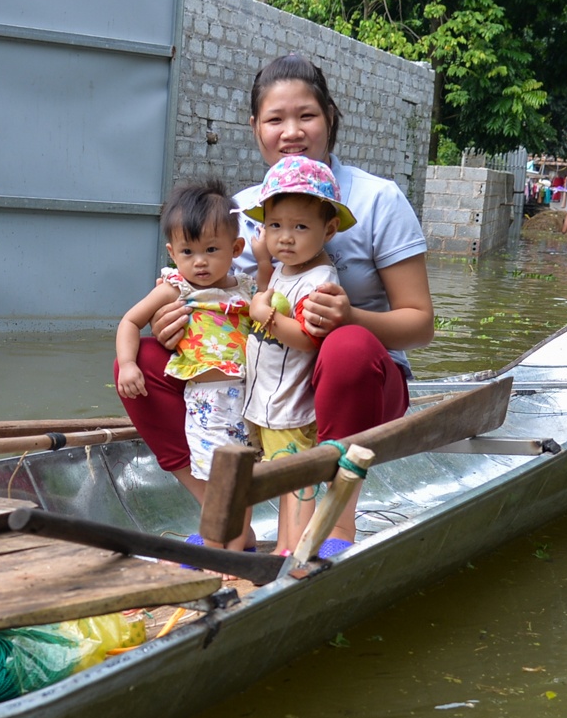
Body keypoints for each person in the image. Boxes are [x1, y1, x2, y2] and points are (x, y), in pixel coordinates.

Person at [117, 54, 433, 546]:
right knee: (141, 359)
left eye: (306, 116)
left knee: (346, 345)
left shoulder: (379, 200)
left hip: (358, 385)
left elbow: (421, 325)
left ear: (330, 117)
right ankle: (225, 517)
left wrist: (350, 317)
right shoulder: (238, 211)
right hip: (261, 373)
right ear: (255, 128)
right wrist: (171, 323)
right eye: (274, 119)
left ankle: (335, 524)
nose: (291, 132)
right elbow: (218, 295)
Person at [114, 179, 256, 548]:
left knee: (244, 475)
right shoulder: (177, 288)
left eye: (211, 249)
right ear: (172, 253)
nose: (200, 261)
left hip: (251, 400)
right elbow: (130, 321)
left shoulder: (246, 289)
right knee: (219, 475)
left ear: (236, 248)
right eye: (188, 251)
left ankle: (237, 547)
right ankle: (225, 547)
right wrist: (128, 364)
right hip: (208, 403)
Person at [240, 156, 354, 554]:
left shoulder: (320, 280)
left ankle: (293, 550)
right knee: (282, 474)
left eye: (300, 227)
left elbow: (308, 337)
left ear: (329, 229)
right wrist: (263, 263)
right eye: (275, 226)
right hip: (267, 398)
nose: (285, 238)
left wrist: (264, 315)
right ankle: (284, 547)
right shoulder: (284, 269)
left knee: (296, 479)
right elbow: (268, 288)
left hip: (288, 402)